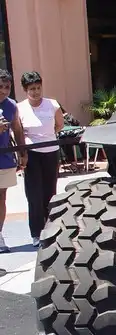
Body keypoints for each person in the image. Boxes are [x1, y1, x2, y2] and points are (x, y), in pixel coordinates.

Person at [17, 71, 64, 247]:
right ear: (25, 90)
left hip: (51, 151)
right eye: (32, 89)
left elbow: (59, 125)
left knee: (50, 192)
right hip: (32, 154)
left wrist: (47, 137)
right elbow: (19, 131)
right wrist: (23, 153)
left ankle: (51, 229)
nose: (36, 92)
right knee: (34, 194)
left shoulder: (53, 104)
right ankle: (36, 233)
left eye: (38, 88)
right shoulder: (20, 108)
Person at [0, 69, 26, 253]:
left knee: (1, 197)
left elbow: (17, 129)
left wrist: (23, 152)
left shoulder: (11, 105)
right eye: (0, 86)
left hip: (5, 159)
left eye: (7, 87)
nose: (3, 90)